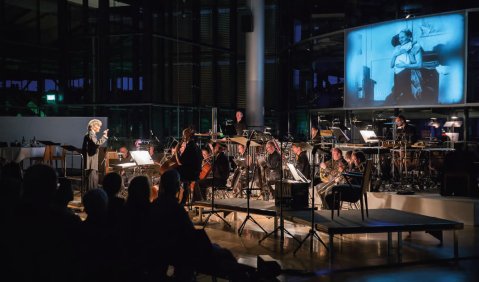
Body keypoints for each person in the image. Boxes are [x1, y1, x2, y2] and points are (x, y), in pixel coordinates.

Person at [388, 29, 423, 105]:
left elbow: (419, 65)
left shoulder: (415, 46)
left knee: (408, 98)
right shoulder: (398, 48)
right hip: (397, 75)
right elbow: (391, 65)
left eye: (403, 37)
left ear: (409, 37)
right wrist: (395, 54)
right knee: (398, 98)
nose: (400, 40)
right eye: (399, 38)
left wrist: (404, 65)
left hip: (409, 74)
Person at [175, 127, 202, 205]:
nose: (183, 137)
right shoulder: (196, 147)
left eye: (184, 136)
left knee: (172, 173)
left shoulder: (190, 147)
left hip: (190, 174)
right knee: (180, 176)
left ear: (187, 136)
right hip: (195, 173)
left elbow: (180, 162)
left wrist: (176, 151)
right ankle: (183, 200)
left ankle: (176, 198)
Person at [82, 119, 108, 191]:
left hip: (91, 159)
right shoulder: (91, 133)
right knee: (92, 178)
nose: (99, 128)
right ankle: (92, 194)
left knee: (93, 177)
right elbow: (97, 143)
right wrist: (104, 136)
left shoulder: (91, 133)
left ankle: (92, 193)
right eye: (99, 126)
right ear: (94, 126)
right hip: (91, 159)